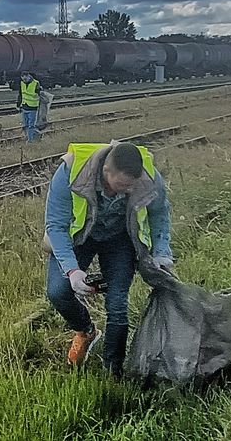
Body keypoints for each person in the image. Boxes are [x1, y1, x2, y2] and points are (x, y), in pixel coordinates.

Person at [44, 141, 173, 376]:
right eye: (122, 185)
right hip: (80, 236)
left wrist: (162, 252)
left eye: (132, 186)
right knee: (58, 291)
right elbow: (56, 226)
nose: (128, 191)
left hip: (119, 239)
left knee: (117, 305)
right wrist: (73, 271)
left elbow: (160, 212)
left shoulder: (148, 176)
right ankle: (86, 330)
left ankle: (113, 371)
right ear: (106, 172)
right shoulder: (70, 171)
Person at [16, 72, 42, 142]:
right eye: (23, 78)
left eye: (25, 78)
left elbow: (40, 94)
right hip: (24, 107)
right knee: (25, 125)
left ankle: (31, 140)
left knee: (31, 125)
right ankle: (30, 136)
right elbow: (20, 94)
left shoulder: (36, 83)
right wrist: (18, 105)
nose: (24, 80)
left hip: (33, 108)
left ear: (29, 76)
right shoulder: (22, 83)